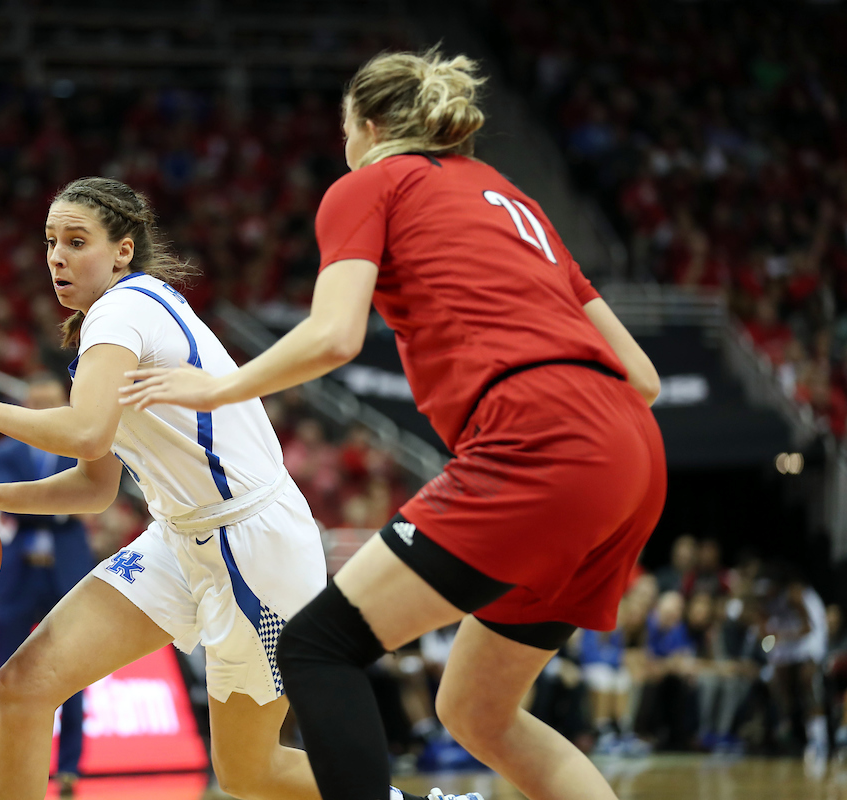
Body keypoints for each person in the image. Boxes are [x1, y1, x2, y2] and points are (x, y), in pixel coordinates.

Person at [120, 48, 666, 800]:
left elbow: (335, 336)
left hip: (539, 434)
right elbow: (644, 375)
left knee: (316, 648)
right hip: (633, 452)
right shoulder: (515, 199)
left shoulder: (369, 182)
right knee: (476, 710)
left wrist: (219, 388)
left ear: (369, 127)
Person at [0, 177, 469, 800]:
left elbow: (88, 433)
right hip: (181, 537)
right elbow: (96, 486)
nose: (57, 257)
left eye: (75, 241)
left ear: (122, 250)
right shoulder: (111, 324)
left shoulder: (123, 310)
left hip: (253, 548)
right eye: (49, 242)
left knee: (249, 771)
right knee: (25, 686)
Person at [0, 373, 95, 793]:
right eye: (35, 401)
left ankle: (69, 766)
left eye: (50, 401)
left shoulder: (80, 443)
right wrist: (62, 506)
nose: (42, 408)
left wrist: (31, 503)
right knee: (6, 671)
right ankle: (1, 763)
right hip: (17, 575)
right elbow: (4, 496)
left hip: (67, 570)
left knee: (73, 669)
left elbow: (27, 502)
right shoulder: (5, 449)